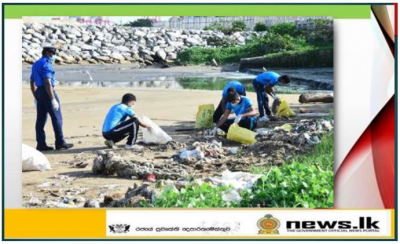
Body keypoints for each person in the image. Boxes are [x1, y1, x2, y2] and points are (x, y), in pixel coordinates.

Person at [30, 46, 73, 151]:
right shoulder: (46, 64)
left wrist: (35, 95)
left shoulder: (36, 64)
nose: (53, 56)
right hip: (47, 92)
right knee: (57, 118)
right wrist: (53, 99)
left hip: (39, 91)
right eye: (52, 54)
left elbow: (32, 81)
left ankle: (41, 144)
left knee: (40, 119)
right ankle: (60, 142)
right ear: (47, 53)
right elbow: (47, 82)